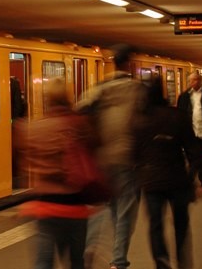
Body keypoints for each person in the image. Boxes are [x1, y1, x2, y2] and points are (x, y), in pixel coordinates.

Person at [15, 78, 101, 269]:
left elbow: (25, 161)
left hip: (44, 207)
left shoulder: (34, 128)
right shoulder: (79, 125)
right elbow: (94, 154)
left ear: (47, 100)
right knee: (76, 262)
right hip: (75, 207)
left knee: (43, 263)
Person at [76, 44, 147, 269]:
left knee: (99, 208)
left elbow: (79, 114)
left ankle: (89, 248)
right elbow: (144, 123)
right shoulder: (138, 90)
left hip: (100, 159)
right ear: (129, 64)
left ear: (113, 63)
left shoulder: (97, 89)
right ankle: (118, 261)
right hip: (127, 158)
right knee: (124, 212)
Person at [134, 77, 202, 269]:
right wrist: (198, 178)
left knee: (156, 225)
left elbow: (134, 153)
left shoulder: (139, 120)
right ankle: (183, 262)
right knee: (181, 224)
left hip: (151, 182)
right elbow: (194, 150)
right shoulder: (178, 116)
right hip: (177, 179)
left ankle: (162, 262)